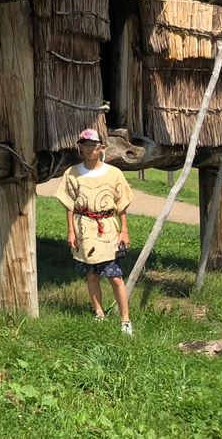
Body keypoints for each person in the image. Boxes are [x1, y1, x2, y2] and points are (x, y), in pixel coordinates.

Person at [55, 128, 135, 335]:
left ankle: (125, 319)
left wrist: (123, 230)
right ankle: (99, 313)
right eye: (85, 145)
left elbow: (122, 204)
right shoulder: (72, 173)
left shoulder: (113, 173)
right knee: (91, 274)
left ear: (102, 148)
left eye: (94, 145)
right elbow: (69, 205)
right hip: (85, 227)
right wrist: (71, 231)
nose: (90, 149)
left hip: (107, 227)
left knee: (114, 275)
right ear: (80, 147)